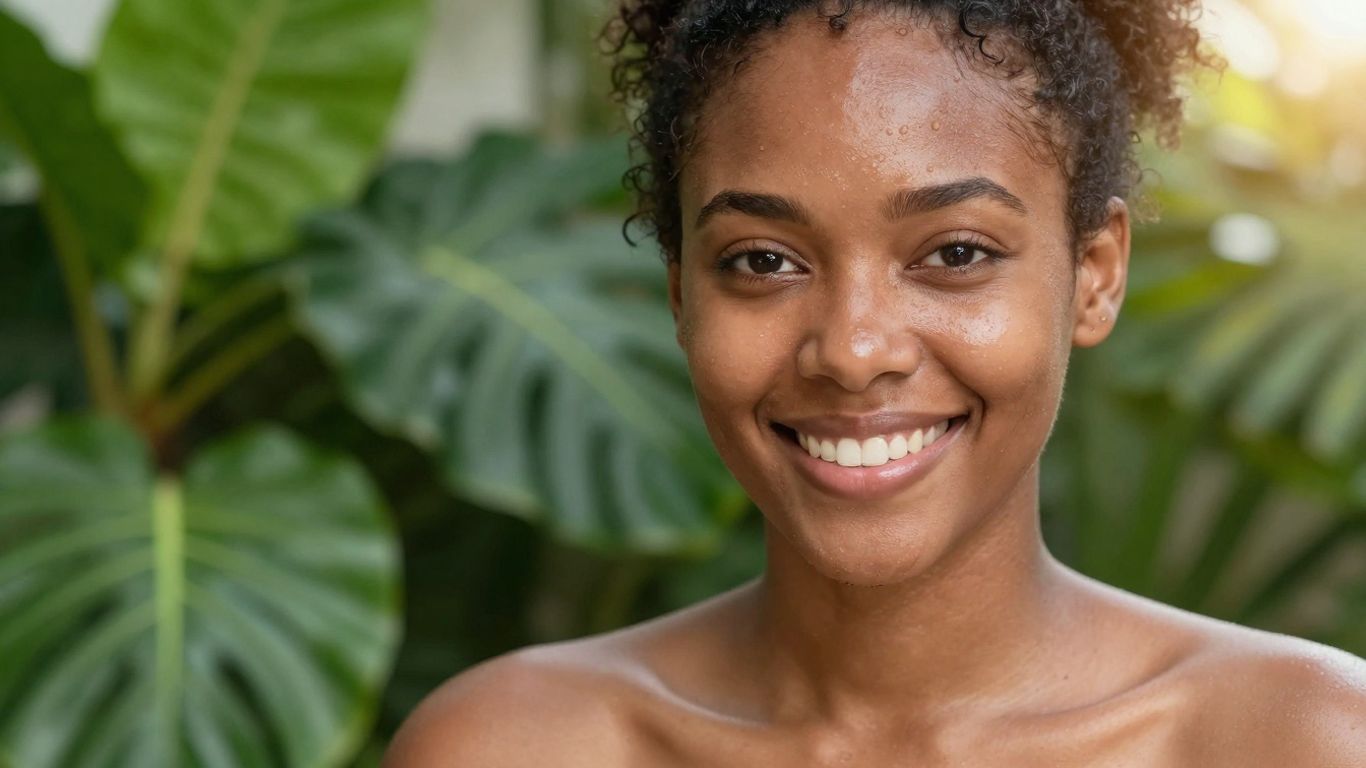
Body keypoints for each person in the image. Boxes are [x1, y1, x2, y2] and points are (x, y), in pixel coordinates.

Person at [384, 1, 1366, 764]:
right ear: (681, 292)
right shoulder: (517, 749)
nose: (853, 351)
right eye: (763, 261)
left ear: (1095, 272)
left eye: (954, 252)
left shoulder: (1301, 743)